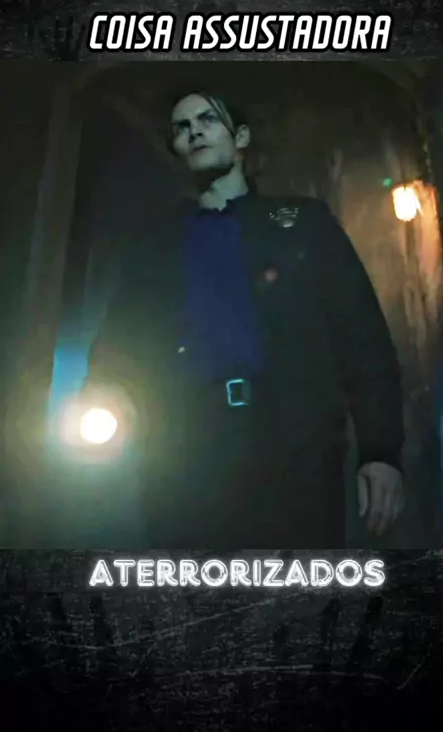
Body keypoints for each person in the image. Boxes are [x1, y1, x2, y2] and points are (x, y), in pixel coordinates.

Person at [84, 91, 405, 549]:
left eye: (207, 119)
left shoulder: (302, 223)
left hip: (294, 452)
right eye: (181, 126)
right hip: (184, 455)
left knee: (294, 585)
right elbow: (120, 338)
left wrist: (380, 452)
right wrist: (105, 394)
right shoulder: (156, 242)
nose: (194, 131)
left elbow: (361, 335)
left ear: (241, 138)